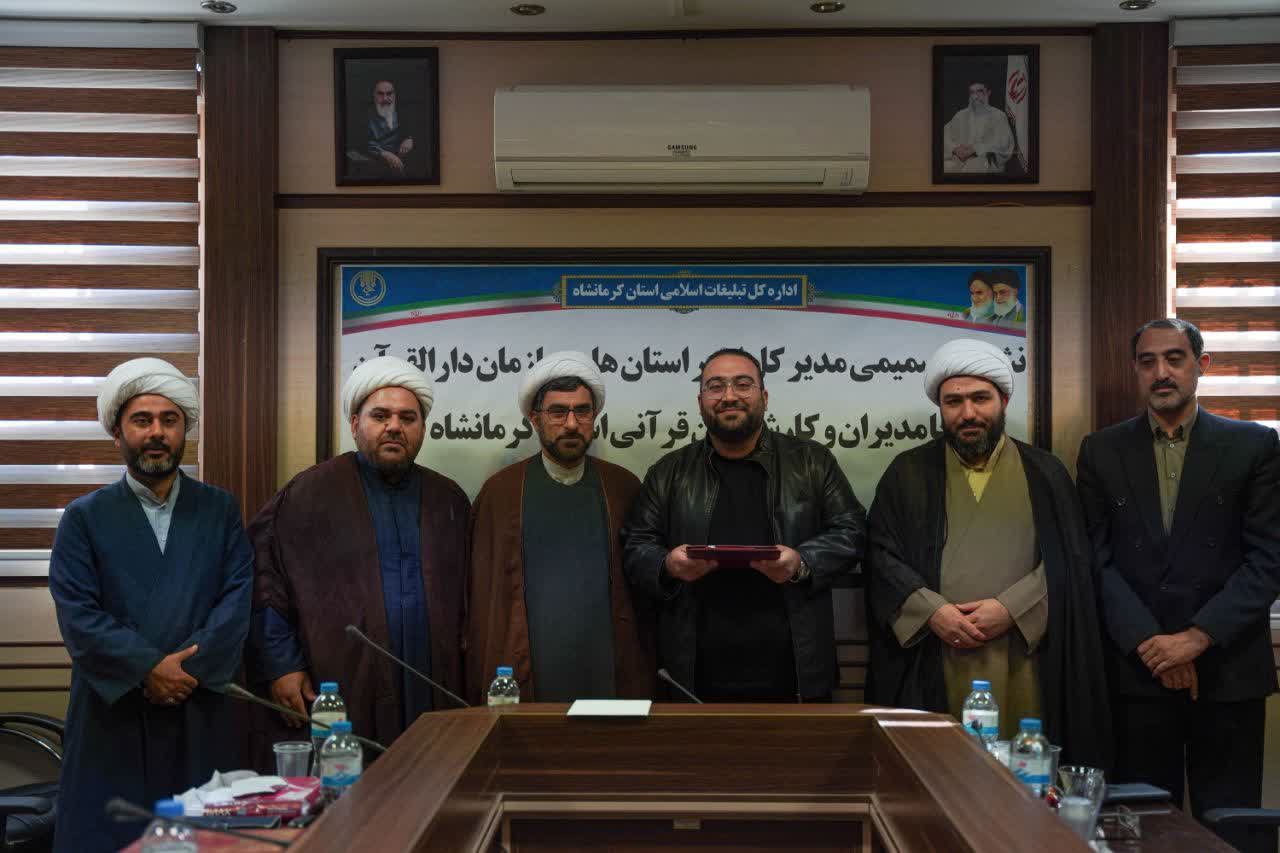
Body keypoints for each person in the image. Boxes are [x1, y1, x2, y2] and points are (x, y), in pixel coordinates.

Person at [1077, 318, 1280, 853]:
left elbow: (1269, 557)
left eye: (1174, 358)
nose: (1161, 372)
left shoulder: (1254, 445)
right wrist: (1152, 644)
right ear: (1135, 370)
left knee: (1230, 826)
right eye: (1148, 361)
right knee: (1140, 828)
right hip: (1138, 671)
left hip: (1228, 670)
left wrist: (1196, 638)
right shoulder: (1101, 450)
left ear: (1201, 365)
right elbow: (1094, 560)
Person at [864, 339, 1111, 767]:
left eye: (980, 399)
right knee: (938, 775)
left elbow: (1071, 562)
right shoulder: (908, 473)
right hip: (935, 653)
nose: (968, 413)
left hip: (1023, 657)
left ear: (1004, 401)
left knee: (1023, 773)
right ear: (940, 408)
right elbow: (880, 556)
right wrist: (932, 612)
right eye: (953, 402)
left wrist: (1012, 608)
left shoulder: (1046, 473)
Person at [49, 358, 254, 853]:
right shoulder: (83, 518)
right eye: (142, 420)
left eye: (169, 420)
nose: (157, 432)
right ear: (117, 432)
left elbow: (237, 598)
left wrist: (183, 672)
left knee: (201, 839)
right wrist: (147, 669)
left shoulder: (220, 509)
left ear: (185, 430)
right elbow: (78, 614)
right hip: (112, 715)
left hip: (198, 704)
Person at [246, 356, 469, 750]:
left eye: (408, 418)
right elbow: (265, 582)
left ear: (423, 428)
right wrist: (281, 665)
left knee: (433, 773)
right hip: (342, 683)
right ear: (354, 424)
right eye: (380, 416)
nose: (394, 427)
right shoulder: (309, 494)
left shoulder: (448, 499)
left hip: (434, 683)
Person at [622, 347, 865, 702]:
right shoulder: (668, 472)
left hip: (796, 672)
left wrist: (802, 562)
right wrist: (667, 565)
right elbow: (635, 546)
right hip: (693, 674)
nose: (729, 396)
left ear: (764, 397)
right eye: (715, 386)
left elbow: (852, 531)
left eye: (742, 384)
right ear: (701, 401)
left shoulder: (812, 462)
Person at [467, 351, 656, 703]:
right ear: (535, 419)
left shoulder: (623, 487)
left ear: (594, 417)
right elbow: (484, 602)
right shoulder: (501, 492)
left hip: (609, 670)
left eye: (582, 411)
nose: (571, 424)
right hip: (528, 669)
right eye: (558, 412)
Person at [942, 82, 1014, 174]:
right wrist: (955, 149)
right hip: (960, 159)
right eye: (972, 92)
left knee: (973, 168)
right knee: (945, 167)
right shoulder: (960, 115)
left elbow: (1003, 143)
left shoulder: (999, 116)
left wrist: (975, 149)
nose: (975, 96)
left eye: (979, 91)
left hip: (985, 161)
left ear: (988, 93)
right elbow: (945, 135)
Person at [366, 79, 416, 176]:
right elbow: (362, 143)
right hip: (376, 162)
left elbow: (415, 131)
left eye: (389, 94)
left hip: (403, 160)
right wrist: (384, 153)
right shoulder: (364, 116)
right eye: (380, 94)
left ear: (394, 95)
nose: (385, 98)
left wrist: (409, 138)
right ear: (374, 95)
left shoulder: (404, 112)